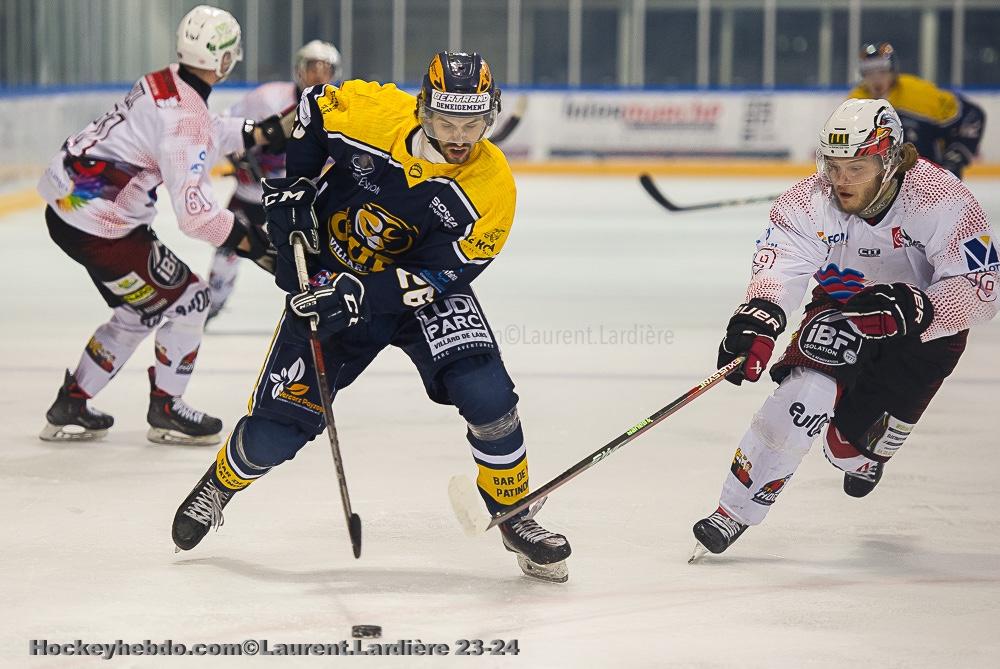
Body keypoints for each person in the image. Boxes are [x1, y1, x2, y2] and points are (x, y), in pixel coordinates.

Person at [170, 52, 573, 582]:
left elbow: (443, 277)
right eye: (447, 120)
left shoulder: (490, 186)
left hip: (421, 294)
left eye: (472, 122)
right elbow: (313, 112)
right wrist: (297, 186)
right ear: (423, 109)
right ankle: (219, 485)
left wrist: (362, 293)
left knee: (487, 394)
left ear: (489, 117)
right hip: (330, 281)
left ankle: (513, 509)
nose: (458, 136)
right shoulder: (373, 111)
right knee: (276, 431)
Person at [691, 98, 998, 558]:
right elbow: (784, 267)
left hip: (924, 331)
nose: (840, 180)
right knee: (803, 395)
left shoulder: (941, 199)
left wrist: (921, 307)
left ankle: (861, 455)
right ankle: (733, 511)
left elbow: (984, 288)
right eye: (832, 166)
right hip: (844, 306)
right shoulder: (806, 200)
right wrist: (760, 315)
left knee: (845, 450)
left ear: (889, 161)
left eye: (855, 167)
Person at [36, 5, 287, 446]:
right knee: (191, 299)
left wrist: (259, 132)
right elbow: (195, 213)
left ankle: (73, 401)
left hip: (71, 208)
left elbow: (201, 128)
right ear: (223, 59)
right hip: (103, 227)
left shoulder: (166, 80)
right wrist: (253, 241)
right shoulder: (185, 119)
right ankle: (167, 406)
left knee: (141, 309)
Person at [206, 40, 342, 322]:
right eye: (311, 68)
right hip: (254, 193)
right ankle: (213, 301)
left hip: (305, 201)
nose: (317, 76)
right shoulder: (267, 99)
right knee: (227, 249)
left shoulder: (340, 110)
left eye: (324, 70)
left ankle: (324, 306)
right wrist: (238, 156)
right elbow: (224, 126)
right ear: (298, 71)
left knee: (315, 258)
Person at [849, 42, 985, 179]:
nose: (876, 78)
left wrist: (958, 154)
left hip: (933, 182)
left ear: (893, 71)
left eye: (882, 70)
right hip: (885, 185)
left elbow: (971, 114)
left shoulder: (919, 93)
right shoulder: (855, 103)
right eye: (869, 71)